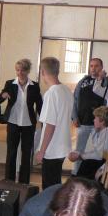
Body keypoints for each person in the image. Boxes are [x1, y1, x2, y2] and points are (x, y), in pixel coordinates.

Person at [0, 58, 43, 184]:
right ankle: (9, 181)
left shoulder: (34, 86)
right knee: (11, 152)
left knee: (26, 154)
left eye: (22, 70)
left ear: (28, 71)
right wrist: (3, 96)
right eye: (17, 70)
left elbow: (40, 105)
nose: (19, 73)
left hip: (28, 124)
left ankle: (24, 182)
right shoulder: (10, 84)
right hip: (13, 122)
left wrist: (43, 121)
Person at [35, 57, 73, 190]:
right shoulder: (66, 90)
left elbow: (50, 125)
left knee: (49, 187)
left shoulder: (51, 93)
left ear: (42, 72)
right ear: (58, 71)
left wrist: (42, 151)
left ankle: (53, 204)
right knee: (55, 184)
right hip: (62, 146)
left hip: (52, 148)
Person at [68, 106, 108, 180]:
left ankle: (80, 183)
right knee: (87, 162)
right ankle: (79, 182)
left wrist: (80, 156)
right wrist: (80, 155)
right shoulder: (105, 131)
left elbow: (99, 156)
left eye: (95, 118)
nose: (93, 120)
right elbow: (97, 152)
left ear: (102, 121)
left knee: (88, 163)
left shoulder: (107, 133)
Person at [72, 58, 105, 174]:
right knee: (78, 150)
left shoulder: (105, 82)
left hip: (99, 124)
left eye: (96, 66)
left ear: (101, 67)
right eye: (91, 66)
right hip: (83, 122)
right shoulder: (83, 81)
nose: (93, 68)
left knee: (99, 151)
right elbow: (74, 100)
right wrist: (74, 117)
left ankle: (96, 175)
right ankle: (76, 174)